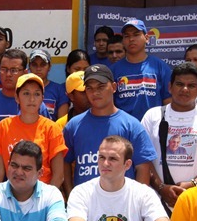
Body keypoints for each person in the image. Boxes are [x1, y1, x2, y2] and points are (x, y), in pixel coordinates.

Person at [62, 64, 157, 196]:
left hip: (122, 205)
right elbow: (64, 162)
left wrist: (137, 202)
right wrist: (71, 194)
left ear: (113, 87)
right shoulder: (73, 125)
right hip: (85, 206)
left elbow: (143, 168)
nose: (95, 93)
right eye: (89, 88)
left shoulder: (131, 125)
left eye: (101, 87)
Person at [141, 62, 197, 210]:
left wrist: (192, 185)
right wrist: (161, 187)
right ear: (169, 87)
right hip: (157, 203)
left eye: (191, 85)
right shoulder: (152, 116)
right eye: (179, 84)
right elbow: (143, 159)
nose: (185, 89)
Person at [67, 136, 173, 221]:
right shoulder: (81, 192)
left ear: (127, 164)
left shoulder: (143, 192)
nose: (105, 163)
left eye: (113, 159)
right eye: (101, 157)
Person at [0, 73, 67, 188]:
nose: (32, 99)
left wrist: (44, 200)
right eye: (26, 93)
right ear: (17, 97)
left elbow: (58, 175)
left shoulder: (52, 129)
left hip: (42, 196)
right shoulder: (4, 126)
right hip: (12, 195)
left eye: (37, 94)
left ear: (42, 98)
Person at [0, 49, 50, 134]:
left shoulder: (35, 104)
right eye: (4, 69)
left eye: (14, 70)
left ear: (25, 72)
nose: (8, 74)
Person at [111, 19, 172, 121]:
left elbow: (168, 100)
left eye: (136, 35)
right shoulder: (114, 70)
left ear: (146, 38)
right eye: (127, 36)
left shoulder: (160, 66)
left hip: (154, 128)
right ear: (123, 41)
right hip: (124, 129)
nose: (131, 39)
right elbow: (109, 104)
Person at [28, 49, 69, 120]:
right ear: (29, 66)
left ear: (49, 66)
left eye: (43, 64)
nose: (38, 68)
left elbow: (62, 122)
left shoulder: (59, 90)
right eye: (34, 65)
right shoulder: (22, 89)